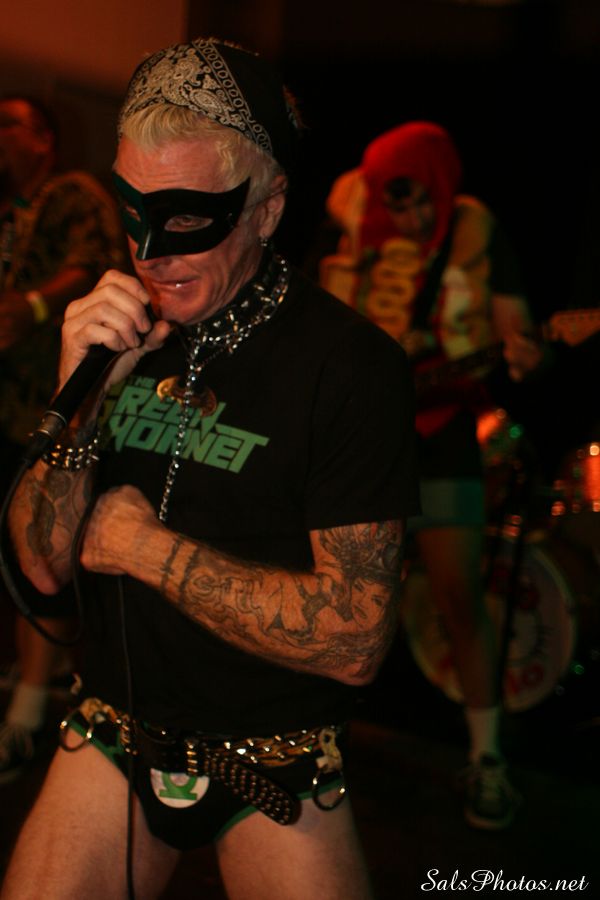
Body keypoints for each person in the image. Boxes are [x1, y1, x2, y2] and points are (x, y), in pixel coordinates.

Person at [1, 39, 418, 899]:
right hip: (113, 727)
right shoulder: (117, 329)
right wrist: (79, 395)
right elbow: (40, 568)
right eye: (133, 210)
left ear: (266, 209)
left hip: (274, 754)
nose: (150, 253)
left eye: (187, 219)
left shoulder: (348, 367)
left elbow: (354, 639)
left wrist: (146, 550)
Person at [316, 121, 534, 830]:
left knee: (459, 597)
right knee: (343, 600)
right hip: (363, 442)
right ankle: (310, 748)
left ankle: (487, 759)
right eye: (394, 200)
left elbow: (515, 332)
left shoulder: (476, 232)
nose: (406, 215)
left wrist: (529, 356)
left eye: (416, 200)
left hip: (443, 437)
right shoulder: (353, 226)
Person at [0, 94, 125, 783]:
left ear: (44, 138)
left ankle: (26, 715)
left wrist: (33, 306)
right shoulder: (7, 209)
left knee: (38, 552)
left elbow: (100, 264)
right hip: (3, 405)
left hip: (45, 405)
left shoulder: (74, 193)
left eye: (7, 124)